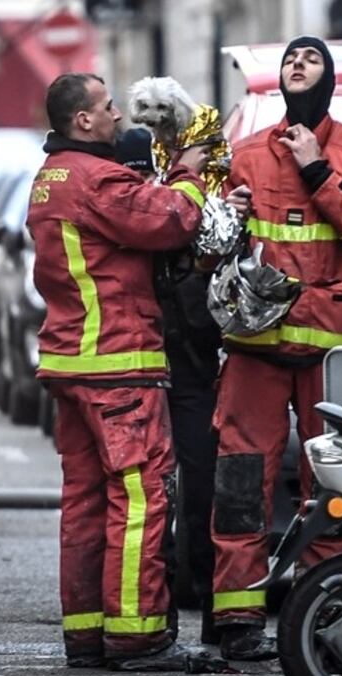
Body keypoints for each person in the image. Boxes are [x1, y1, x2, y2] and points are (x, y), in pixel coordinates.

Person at [208, 35, 342, 660]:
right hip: (256, 346)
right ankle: (237, 620)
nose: (298, 65)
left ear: (329, 76)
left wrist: (319, 168)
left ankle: (327, 611)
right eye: (292, 57)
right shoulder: (246, 157)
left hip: (332, 352)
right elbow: (219, 250)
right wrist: (226, 217)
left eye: (311, 58)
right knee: (241, 480)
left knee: (334, 485)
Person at [29, 73, 219, 673]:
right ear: (82, 120)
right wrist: (188, 171)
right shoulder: (97, 179)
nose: (119, 116)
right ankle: (139, 638)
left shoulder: (50, 179)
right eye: (109, 106)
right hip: (119, 364)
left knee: (84, 502)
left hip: (70, 362)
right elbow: (169, 220)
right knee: (139, 499)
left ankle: (87, 636)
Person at [116, 126, 224, 647]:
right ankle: (153, 621)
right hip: (141, 369)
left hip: (187, 369)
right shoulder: (133, 208)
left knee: (200, 494)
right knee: (150, 499)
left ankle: (205, 611)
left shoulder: (185, 205)